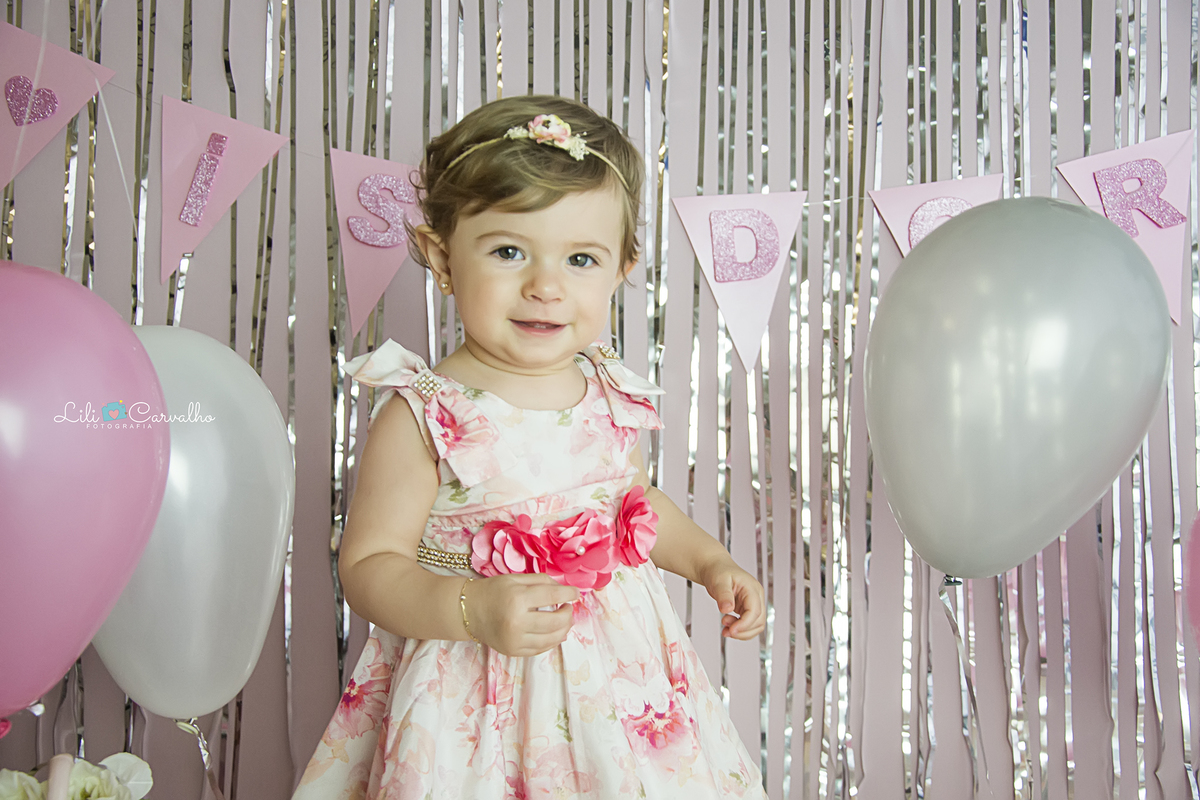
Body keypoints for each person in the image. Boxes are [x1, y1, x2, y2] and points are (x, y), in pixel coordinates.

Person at [293, 95, 768, 799]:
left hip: (622, 691)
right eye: (509, 251)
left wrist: (710, 561)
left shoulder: (609, 390)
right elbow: (368, 564)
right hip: (476, 697)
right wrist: (469, 609)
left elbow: (632, 507)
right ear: (441, 255)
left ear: (621, 269)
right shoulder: (426, 414)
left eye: (581, 259)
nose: (546, 286)